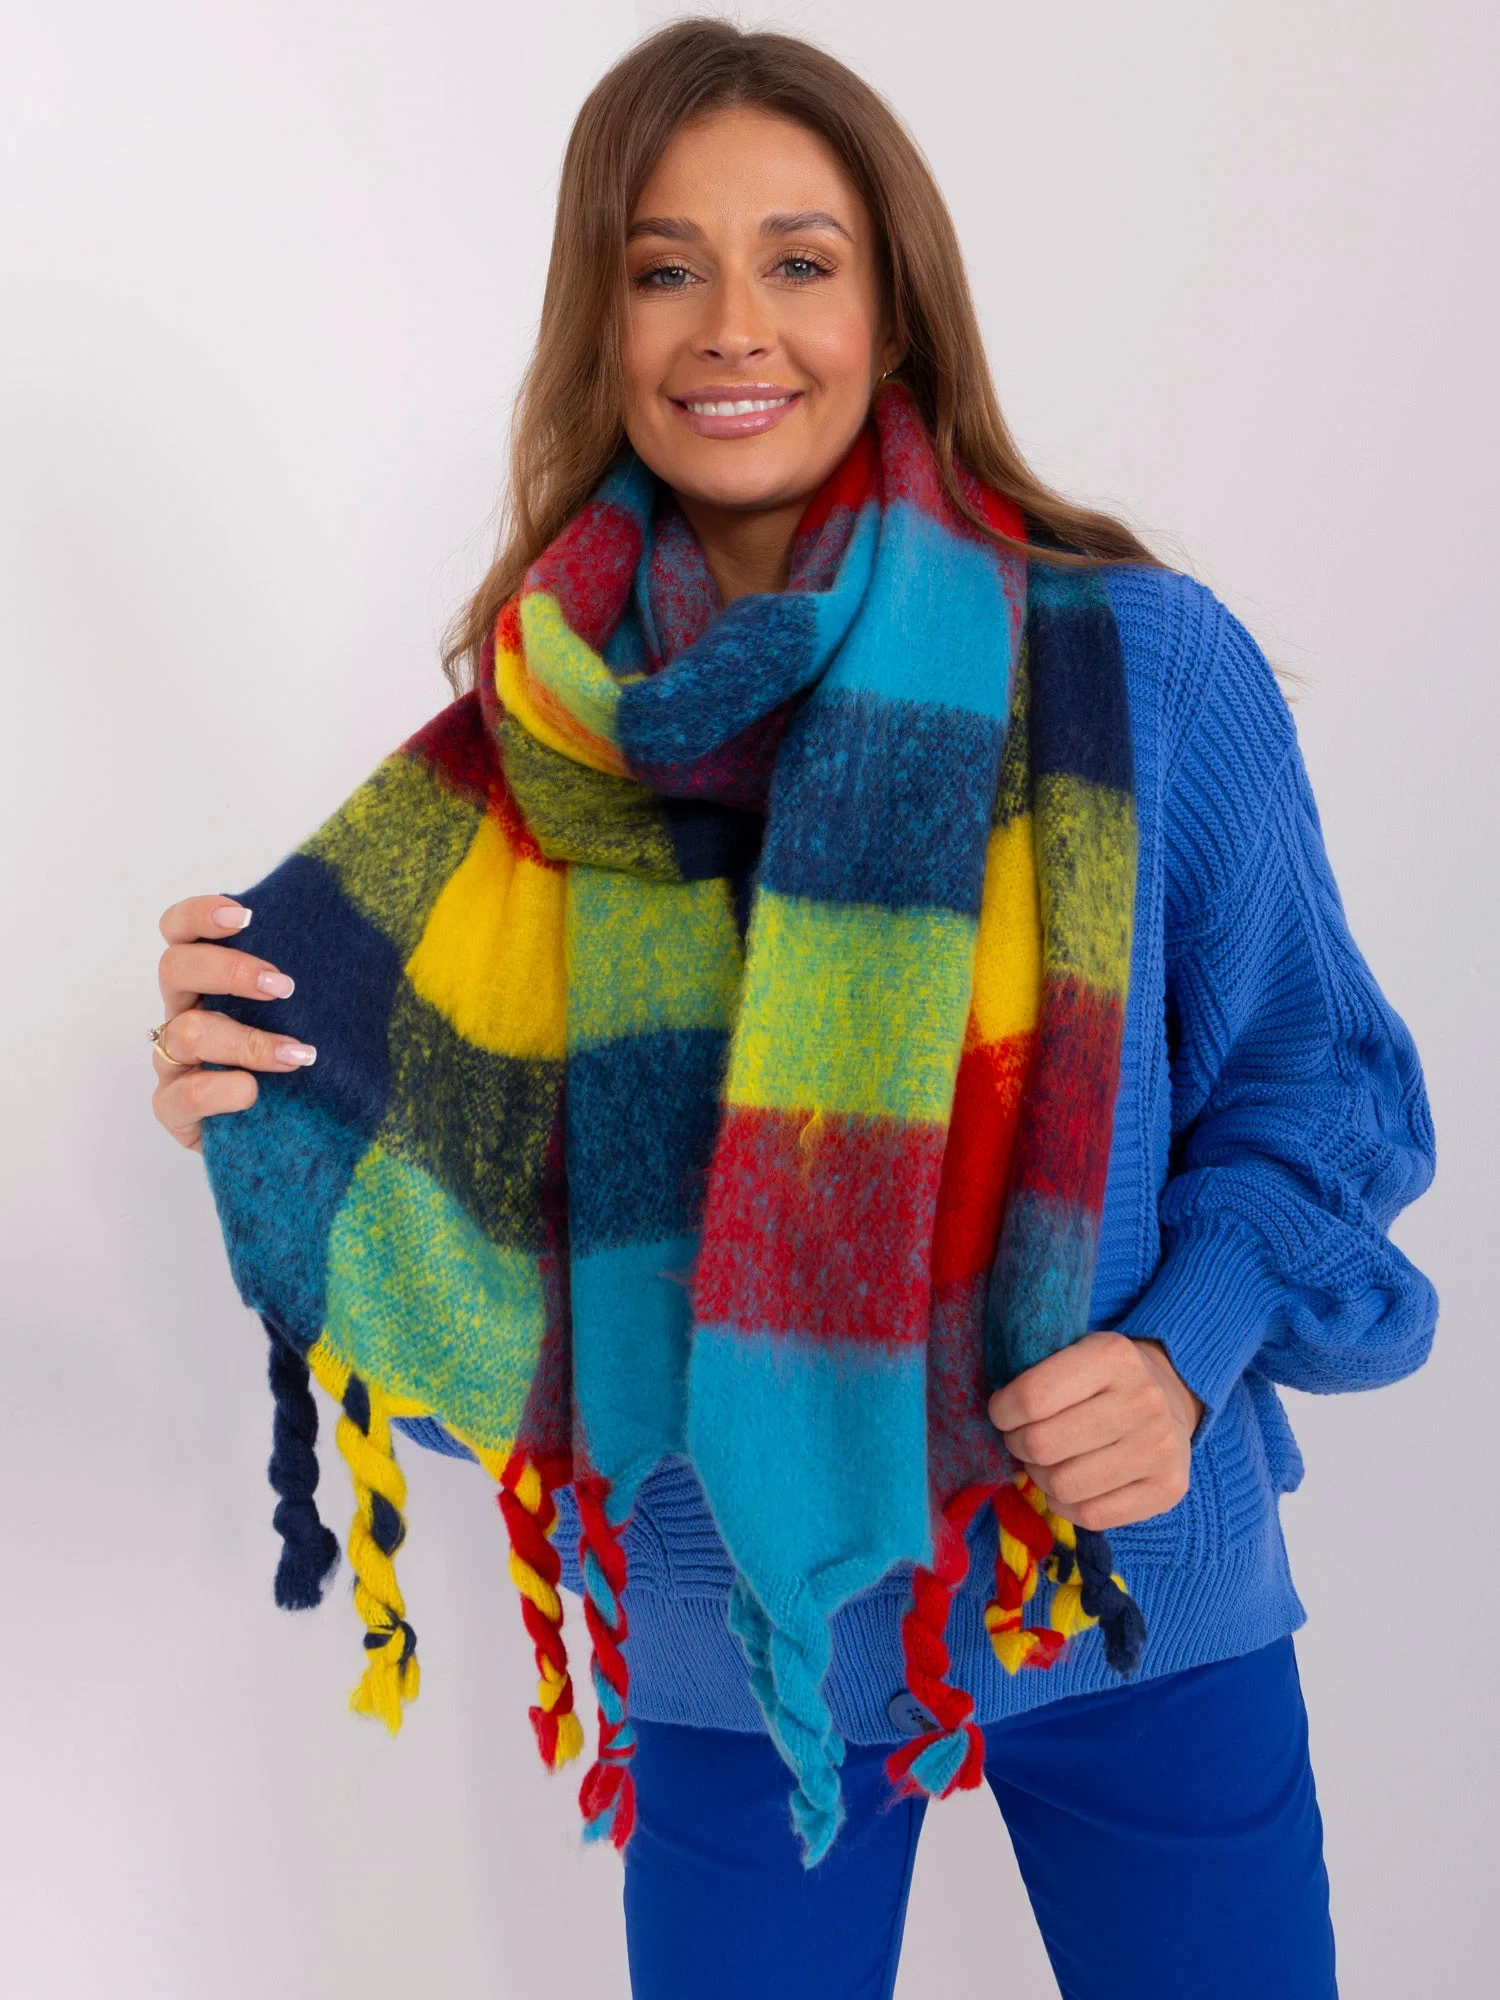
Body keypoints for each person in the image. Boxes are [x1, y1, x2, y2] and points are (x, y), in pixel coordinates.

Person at [147, 20, 1436, 2000]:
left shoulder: (1136, 669)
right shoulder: (534, 750)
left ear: (892, 308)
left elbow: (1323, 1094)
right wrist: (262, 1098)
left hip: (1125, 1583)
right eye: (664, 267)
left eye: (799, 261)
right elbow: (481, 1231)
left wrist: (1183, 1354)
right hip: (732, 1631)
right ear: (598, 324)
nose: (732, 326)